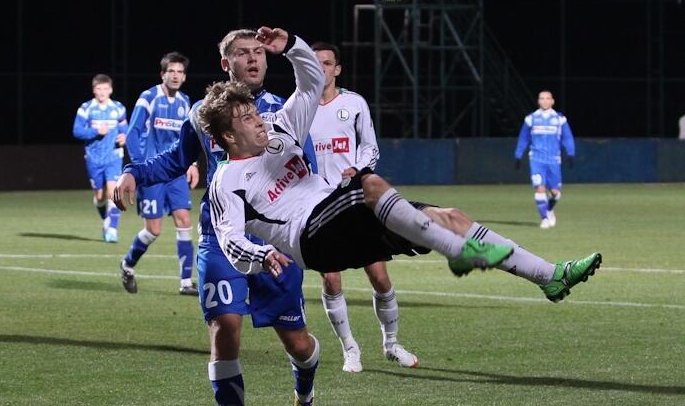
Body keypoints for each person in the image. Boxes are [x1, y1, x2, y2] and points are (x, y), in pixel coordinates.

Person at [179, 30, 600, 314]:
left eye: (255, 112)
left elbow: (309, 81)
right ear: (228, 136)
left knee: (449, 218)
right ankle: (459, 253)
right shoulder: (226, 182)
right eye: (247, 119)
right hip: (310, 237)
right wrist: (263, 254)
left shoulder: (281, 129)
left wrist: (291, 44)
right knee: (370, 184)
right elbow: (231, 240)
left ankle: (549, 275)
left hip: (337, 218)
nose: (258, 120)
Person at [112, 27, 321, 406]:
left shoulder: (282, 114)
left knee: (300, 347)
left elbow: (309, 176)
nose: (254, 59)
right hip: (220, 239)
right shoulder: (203, 116)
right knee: (225, 332)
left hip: (275, 244)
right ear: (226, 63)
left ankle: (304, 390)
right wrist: (132, 173)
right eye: (242, 53)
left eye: (259, 52)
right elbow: (173, 159)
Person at [309, 41, 416, 373]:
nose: (321, 68)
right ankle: (350, 349)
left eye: (327, 63)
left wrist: (360, 169)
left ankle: (391, 343)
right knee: (330, 278)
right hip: (318, 205)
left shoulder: (354, 103)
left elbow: (369, 146)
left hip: (354, 200)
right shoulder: (299, 108)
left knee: (380, 276)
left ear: (337, 68)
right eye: (315, 63)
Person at [119, 52, 199, 295]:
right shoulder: (149, 98)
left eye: (179, 72)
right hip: (152, 172)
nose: (175, 75)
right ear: (162, 74)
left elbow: (189, 138)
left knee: (185, 221)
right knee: (153, 230)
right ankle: (127, 264)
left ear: (184, 77)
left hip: (175, 173)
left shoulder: (185, 102)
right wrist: (138, 171)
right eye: (171, 71)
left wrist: (193, 163)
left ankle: (186, 282)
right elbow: (133, 134)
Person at [72, 73, 128, 243]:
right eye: (99, 89)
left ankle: (112, 229)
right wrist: (96, 131)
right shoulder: (86, 108)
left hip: (114, 156)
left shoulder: (118, 108)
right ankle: (106, 221)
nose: (102, 92)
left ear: (110, 90)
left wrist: (124, 137)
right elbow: (77, 131)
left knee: (114, 191)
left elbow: (125, 130)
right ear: (94, 90)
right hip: (94, 158)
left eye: (105, 88)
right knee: (100, 196)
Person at [514, 90, 576, 229]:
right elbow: (523, 138)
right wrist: (518, 155)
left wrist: (571, 153)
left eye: (548, 98)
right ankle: (544, 219)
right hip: (536, 159)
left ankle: (549, 209)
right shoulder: (531, 118)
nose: (545, 100)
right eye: (542, 98)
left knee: (555, 193)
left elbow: (567, 137)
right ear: (538, 101)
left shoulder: (560, 119)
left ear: (552, 101)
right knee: (540, 188)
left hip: (554, 159)